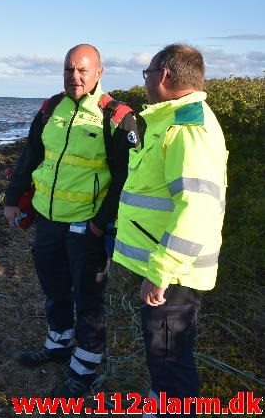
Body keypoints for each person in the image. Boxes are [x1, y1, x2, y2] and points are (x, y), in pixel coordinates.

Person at [3, 44, 138, 397]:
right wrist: (11, 200)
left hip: (87, 227)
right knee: (54, 287)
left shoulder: (117, 116)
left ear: (99, 73)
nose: (74, 77)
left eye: (82, 70)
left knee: (89, 299)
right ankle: (59, 345)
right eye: (68, 69)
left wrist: (99, 224)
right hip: (48, 219)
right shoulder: (51, 108)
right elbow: (30, 155)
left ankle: (84, 368)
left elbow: (125, 177)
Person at [113, 45, 227, 417]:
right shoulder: (170, 120)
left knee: (171, 357)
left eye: (146, 72)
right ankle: (161, 400)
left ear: (163, 75)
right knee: (164, 355)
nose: (143, 79)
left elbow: (197, 207)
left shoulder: (187, 127)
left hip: (174, 273)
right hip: (169, 267)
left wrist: (160, 271)